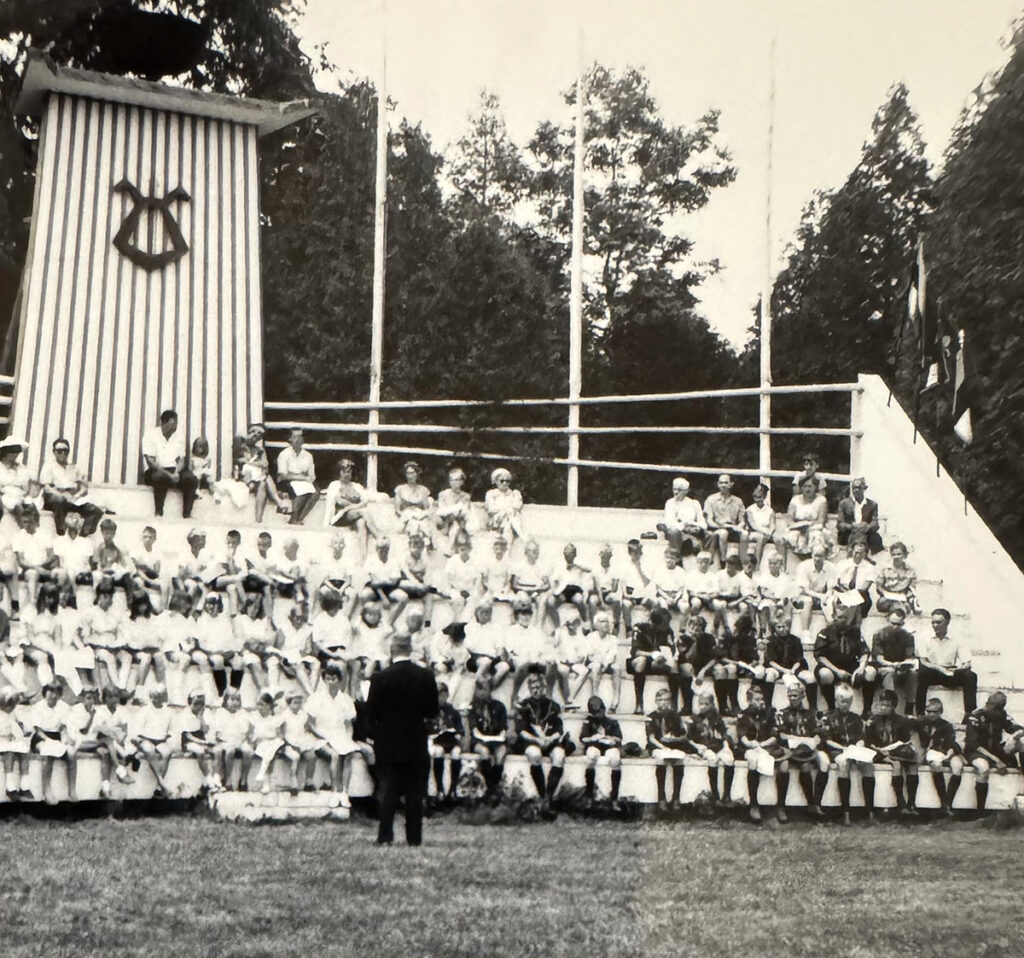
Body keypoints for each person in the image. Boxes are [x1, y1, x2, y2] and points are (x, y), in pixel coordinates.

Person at [366, 633, 440, 846]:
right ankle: (414, 839)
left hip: (388, 743)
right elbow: (432, 710)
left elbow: (371, 712)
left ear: (392, 650)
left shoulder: (381, 677)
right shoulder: (425, 675)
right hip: (416, 742)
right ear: (410, 649)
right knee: (415, 794)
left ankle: (385, 836)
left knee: (388, 791)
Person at [814, 683, 872, 824]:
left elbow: (860, 738)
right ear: (836, 701)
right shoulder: (829, 718)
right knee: (843, 763)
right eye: (842, 702)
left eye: (848, 702)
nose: (845, 705)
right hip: (837, 751)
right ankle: (845, 812)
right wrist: (844, 749)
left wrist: (859, 746)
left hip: (853, 751)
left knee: (869, 766)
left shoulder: (856, 718)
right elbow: (828, 741)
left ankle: (869, 810)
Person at [513, 672, 570, 809]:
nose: (536, 690)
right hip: (532, 742)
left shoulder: (552, 706)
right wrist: (538, 740)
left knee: (559, 755)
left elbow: (559, 730)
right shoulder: (523, 706)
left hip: (549, 742)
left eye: (539, 687)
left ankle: (548, 797)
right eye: (533, 687)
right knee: (534, 754)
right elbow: (522, 731)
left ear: (544, 688)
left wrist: (550, 739)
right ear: (529, 688)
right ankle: (541, 794)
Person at [963, 691, 1024, 812]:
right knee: (983, 768)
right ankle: (980, 810)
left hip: (995, 750)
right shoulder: (974, 716)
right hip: (977, 752)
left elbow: (1013, 727)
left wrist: (1019, 733)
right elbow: (974, 744)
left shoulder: (1001, 714)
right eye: (993, 706)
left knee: (1023, 741)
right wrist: (997, 761)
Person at [914, 608, 977, 721]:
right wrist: (940, 669)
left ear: (948, 622)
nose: (935, 625)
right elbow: (923, 661)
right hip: (932, 671)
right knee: (921, 674)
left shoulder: (957, 638)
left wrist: (963, 667)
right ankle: (920, 713)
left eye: (939, 622)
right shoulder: (924, 637)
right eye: (933, 622)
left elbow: (966, 661)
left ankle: (969, 713)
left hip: (950, 672)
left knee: (970, 676)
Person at [864, 689, 918, 818]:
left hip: (895, 751)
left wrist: (896, 749)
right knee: (896, 764)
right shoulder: (872, 720)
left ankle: (912, 803)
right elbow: (868, 741)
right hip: (878, 752)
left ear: (894, 706)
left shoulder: (901, 721)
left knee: (913, 765)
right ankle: (900, 802)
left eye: (887, 705)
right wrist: (879, 749)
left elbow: (905, 740)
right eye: (881, 704)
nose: (883, 708)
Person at [813, 603, 876, 713]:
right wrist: (837, 671)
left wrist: (861, 667)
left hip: (850, 666)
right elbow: (820, 656)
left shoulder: (854, 632)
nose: (842, 621)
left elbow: (864, 652)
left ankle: (867, 710)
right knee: (825, 674)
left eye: (845, 618)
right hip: (832, 667)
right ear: (833, 616)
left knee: (870, 671)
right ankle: (832, 708)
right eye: (839, 617)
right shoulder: (825, 633)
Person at [734, 684, 783, 822]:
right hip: (750, 748)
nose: (761, 703)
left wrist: (763, 744)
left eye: (762, 700)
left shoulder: (769, 713)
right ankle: (754, 805)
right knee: (752, 760)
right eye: (757, 700)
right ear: (749, 701)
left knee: (784, 764)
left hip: (767, 747)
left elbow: (775, 736)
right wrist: (752, 744)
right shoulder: (743, 715)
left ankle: (781, 806)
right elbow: (742, 737)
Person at [773, 682, 821, 822]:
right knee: (784, 766)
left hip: (805, 752)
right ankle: (780, 806)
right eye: (790, 695)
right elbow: (780, 735)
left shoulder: (810, 713)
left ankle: (811, 805)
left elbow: (817, 733)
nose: (792, 698)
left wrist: (814, 739)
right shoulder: (783, 713)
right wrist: (794, 738)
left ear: (802, 696)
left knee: (806, 767)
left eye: (795, 695)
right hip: (788, 750)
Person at [39, 438, 104, 536]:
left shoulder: (74, 468)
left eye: (65, 451)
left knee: (95, 511)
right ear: (54, 452)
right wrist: (63, 495)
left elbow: (84, 487)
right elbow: (47, 487)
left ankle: (83, 535)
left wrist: (76, 496)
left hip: (73, 498)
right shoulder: (49, 466)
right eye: (59, 451)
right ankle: (61, 533)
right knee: (59, 501)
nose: (63, 453)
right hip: (55, 496)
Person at [142, 409, 198, 518]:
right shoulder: (151, 435)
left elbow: (181, 459)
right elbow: (151, 462)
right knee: (159, 478)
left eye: (176, 423)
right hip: (156, 471)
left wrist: (176, 473)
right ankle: (158, 513)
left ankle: (187, 514)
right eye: (173, 424)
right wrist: (169, 475)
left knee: (191, 479)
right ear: (163, 423)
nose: (175, 426)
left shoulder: (178, 436)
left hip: (173, 470)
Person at [915, 697, 964, 817]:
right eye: (929, 711)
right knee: (936, 766)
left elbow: (951, 743)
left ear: (940, 712)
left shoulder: (946, 726)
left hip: (945, 752)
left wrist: (949, 755)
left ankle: (948, 802)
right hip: (929, 753)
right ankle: (943, 802)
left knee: (958, 766)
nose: (931, 714)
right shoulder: (920, 722)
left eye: (935, 712)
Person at [687, 689, 735, 807]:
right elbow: (689, 738)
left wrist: (726, 745)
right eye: (701, 704)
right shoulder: (695, 719)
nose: (703, 707)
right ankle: (715, 795)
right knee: (712, 760)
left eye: (706, 704)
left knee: (729, 760)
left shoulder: (717, 718)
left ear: (712, 705)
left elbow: (724, 733)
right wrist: (697, 746)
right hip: (704, 747)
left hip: (718, 746)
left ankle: (727, 795)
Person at [646, 687, 691, 811]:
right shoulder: (651, 716)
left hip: (673, 746)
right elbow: (651, 738)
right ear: (656, 701)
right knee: (661, 759)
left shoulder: (675, 716)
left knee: (679, 759)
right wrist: (664, 747)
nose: (663, 702)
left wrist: (674, 740)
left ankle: (676, 798)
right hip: (658, 746)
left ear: (670, 701)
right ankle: (661, 798)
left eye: (666, 700)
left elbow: (683, 736)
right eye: (660, 700)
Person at [466, 680, 509, 803]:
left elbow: (503, 731)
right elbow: (475, 732)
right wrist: (487, 739)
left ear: (490, 690)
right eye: (479, 689)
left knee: (501, 753)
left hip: (496, 740)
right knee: (484, 752)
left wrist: (497, 739)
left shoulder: (499, 706)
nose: (481, 693)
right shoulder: (473, 707)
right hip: (480, 740)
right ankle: (491, 788)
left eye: (484, 689)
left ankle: (492, 787)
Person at [762, 614, 816, 710]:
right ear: (775, 628)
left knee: (810, 677)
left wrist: (793, 670)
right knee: (770, 674)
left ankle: (813, 708)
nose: (782, 629)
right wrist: (784, 670)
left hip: (794, 667)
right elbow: (770, 661)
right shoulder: (771, 640)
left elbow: (799, 659)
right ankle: (768, 706)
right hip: (777, 668)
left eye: (784, 626)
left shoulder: (795, 640)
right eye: (779, 627)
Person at [870, 608, 918, 714]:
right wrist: (893, 665)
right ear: (887, 620)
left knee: (913, 674)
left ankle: (909, 708)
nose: (895, 627)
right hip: (885, 668)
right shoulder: (879, 635)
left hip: (901, 669)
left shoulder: (908, 637)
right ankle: (890, 706)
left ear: (903, 623)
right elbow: (879, 659)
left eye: (898, 624)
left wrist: (903, 665)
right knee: (889, 673)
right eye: (893, 623)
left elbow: (910, 657)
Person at [579, 696, 623, 810]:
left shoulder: (611, 722)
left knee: (615, 759)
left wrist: (608, 737)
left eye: (600, 711)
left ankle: (614, 798)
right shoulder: (588, 721)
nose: (598, 714)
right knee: (591, 756)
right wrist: (593, 737)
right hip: (594, 745)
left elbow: (619, 738)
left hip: (608, 745)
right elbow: (583, 738)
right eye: (595, 713)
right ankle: (589, 795)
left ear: (604, 710)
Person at [428, 682, 464, 802]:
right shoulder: (428, 710)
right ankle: (440, 789)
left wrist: (458, 734)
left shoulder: (452, 711)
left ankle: (452, 790)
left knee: (457, 753)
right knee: (438, 752)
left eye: (443, 695)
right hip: (435, 741)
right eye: (438, 696)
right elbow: (425, 729)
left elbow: (459, 728)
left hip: (450, 741)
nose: (441, 699)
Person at [793, 545, 838, 638]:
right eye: (815, 555)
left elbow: (830, 589)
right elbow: (805, 590)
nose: (817, 559)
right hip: (802, 596)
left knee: (831, 600)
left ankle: (832, 629)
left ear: (825, 556)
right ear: (812, 555)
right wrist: (821, 596)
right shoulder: (803, 566)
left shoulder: (831, 567)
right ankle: (805, 632)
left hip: (820, 596)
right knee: (808, 600)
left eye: (820, 556)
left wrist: (826, 597)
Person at [656, 476, 707, 558]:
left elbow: (703, 524)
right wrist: (683, 527)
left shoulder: (694, 503)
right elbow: (669, 522)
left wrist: (692, 525)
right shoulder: (670, 503)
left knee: (708, 535)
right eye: (674, 489)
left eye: (679, 490)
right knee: (674, 531)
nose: (675, 492)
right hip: (676, 533)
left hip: (692, 532)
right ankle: (677, 559)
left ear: (686, 491)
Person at [276, 429, 318, 525]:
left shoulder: (308, 456)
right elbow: (283, 475)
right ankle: (294, 517)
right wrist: (301, 477)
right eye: (295, 437)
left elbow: (311, 475)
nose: (297, 440)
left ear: (303, 440)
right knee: (302, 492)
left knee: (315, 493)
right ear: (290, 439)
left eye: (300, 437)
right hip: (286, 481)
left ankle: (300, 517)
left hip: (304, 481)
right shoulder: (284, 454)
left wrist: (306, 478)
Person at [704, 474, 748, 565]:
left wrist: (738, 527)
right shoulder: (711, 499)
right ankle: (723, 561)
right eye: (720, 483)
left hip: (733, 528)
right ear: (717, 484)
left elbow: (742, 520)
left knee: (745, 533)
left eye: (726, 482)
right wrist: (720, 526)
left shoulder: (738, 501)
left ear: (731, 484)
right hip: (717, 528)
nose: (723, 485)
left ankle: (742, 561)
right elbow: (709, 520)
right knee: (723, 533)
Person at [784, 476, 828, 560]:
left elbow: (821, 520)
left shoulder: (821, 500)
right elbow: (789, 518)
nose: (807, 489)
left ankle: (815, 563)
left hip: (814, 527)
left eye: (810, 486)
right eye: (804, 486)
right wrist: (798, 525)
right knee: (790, 538)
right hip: (797, 527)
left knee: (816, 537)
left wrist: (809, 526)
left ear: (815, 487)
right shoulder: (795, 500)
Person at [836, 477, 883, 555]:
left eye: (858, 488)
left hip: (866, 533)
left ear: (864, 488)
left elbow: (875, 523)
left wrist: (867, 527)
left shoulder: (872, 504)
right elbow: (840, 524)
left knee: (875, 537)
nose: (856, 490)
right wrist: (852, 526)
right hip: (849, 533)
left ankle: (874, 559)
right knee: (858, 536)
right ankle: (859, 555)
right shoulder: (844, 504)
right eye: (854, 488)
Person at [393, 461, 435, 546]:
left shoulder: (423, 490)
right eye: (408, 473)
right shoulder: (400, 489)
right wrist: (406, 516)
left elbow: (426, 509)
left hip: (420, 516)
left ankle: (426, 543)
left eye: (412, 473)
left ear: (417, 474)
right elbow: (397, 509)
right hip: (406, 516)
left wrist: (421, 515)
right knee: (412, 524)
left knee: (422, 525)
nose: (410, 476)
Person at [874, 541, 920, 616]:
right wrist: (886, 594)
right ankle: (899, 611)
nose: (896, 557)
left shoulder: (910, 571)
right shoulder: (885, 569)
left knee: (898, 603)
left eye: (899, 554)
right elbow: (878, 587)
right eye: (893, 554)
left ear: (905, 555)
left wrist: (906, 596)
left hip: (902, 597)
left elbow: (912, 588)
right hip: (886, 599)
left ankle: (896, 614)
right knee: (888, 602)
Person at [436, 467, 472, 555]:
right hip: (446, 522)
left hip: (461, 521)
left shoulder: (465, 496)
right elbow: (442, 510)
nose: (453, 483)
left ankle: (452, 549)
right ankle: (451, 549)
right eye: (451, 480)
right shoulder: (443, 494)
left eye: (456, 480)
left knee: (458, 526)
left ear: (462, 481)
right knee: (454, 526)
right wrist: (453, 512)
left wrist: (456, 513)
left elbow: (465, 510)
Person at [484, 468, 524, 541]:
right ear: (495, 481)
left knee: (508, 520)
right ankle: (522, 538)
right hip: (497, 521)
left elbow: (517, 506)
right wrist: (506, 510)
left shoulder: (514, 494)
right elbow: (491, 509)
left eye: (507, 481)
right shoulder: (491, 494)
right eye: (502, 481)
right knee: (508, 518)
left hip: (511, 520)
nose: (505, 483)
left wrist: (505, 511)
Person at [744, 483, 779, 567]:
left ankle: (782, 566)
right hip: (754, 532)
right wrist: (765, 532)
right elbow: (753, 525)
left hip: (767, 531)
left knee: (780, 539)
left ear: (764, 497)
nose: (757, 500)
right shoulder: (750, 509)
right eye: (755, 497)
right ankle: (757, 564)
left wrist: (770, 532)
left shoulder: (769, 510)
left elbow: (772, 524)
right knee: (760, 537)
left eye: (760, 497)